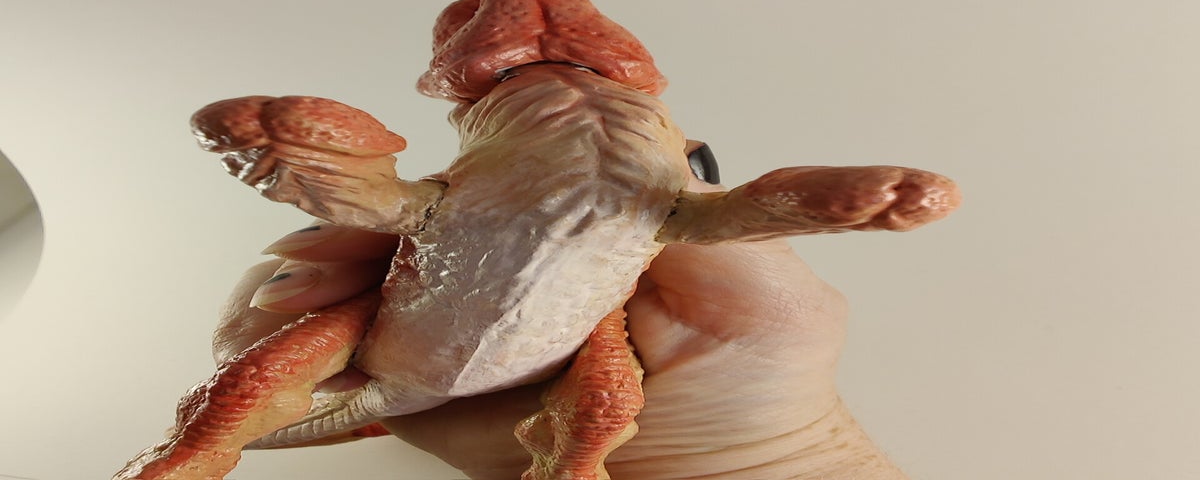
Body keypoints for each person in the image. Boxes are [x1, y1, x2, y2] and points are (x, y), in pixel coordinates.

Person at [213, 178, 911, 480]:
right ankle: (199, 444)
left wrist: (782, 455)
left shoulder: (656, 198)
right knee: (250, 388)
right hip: (414, 322)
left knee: (604, 405)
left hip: (591, 320)